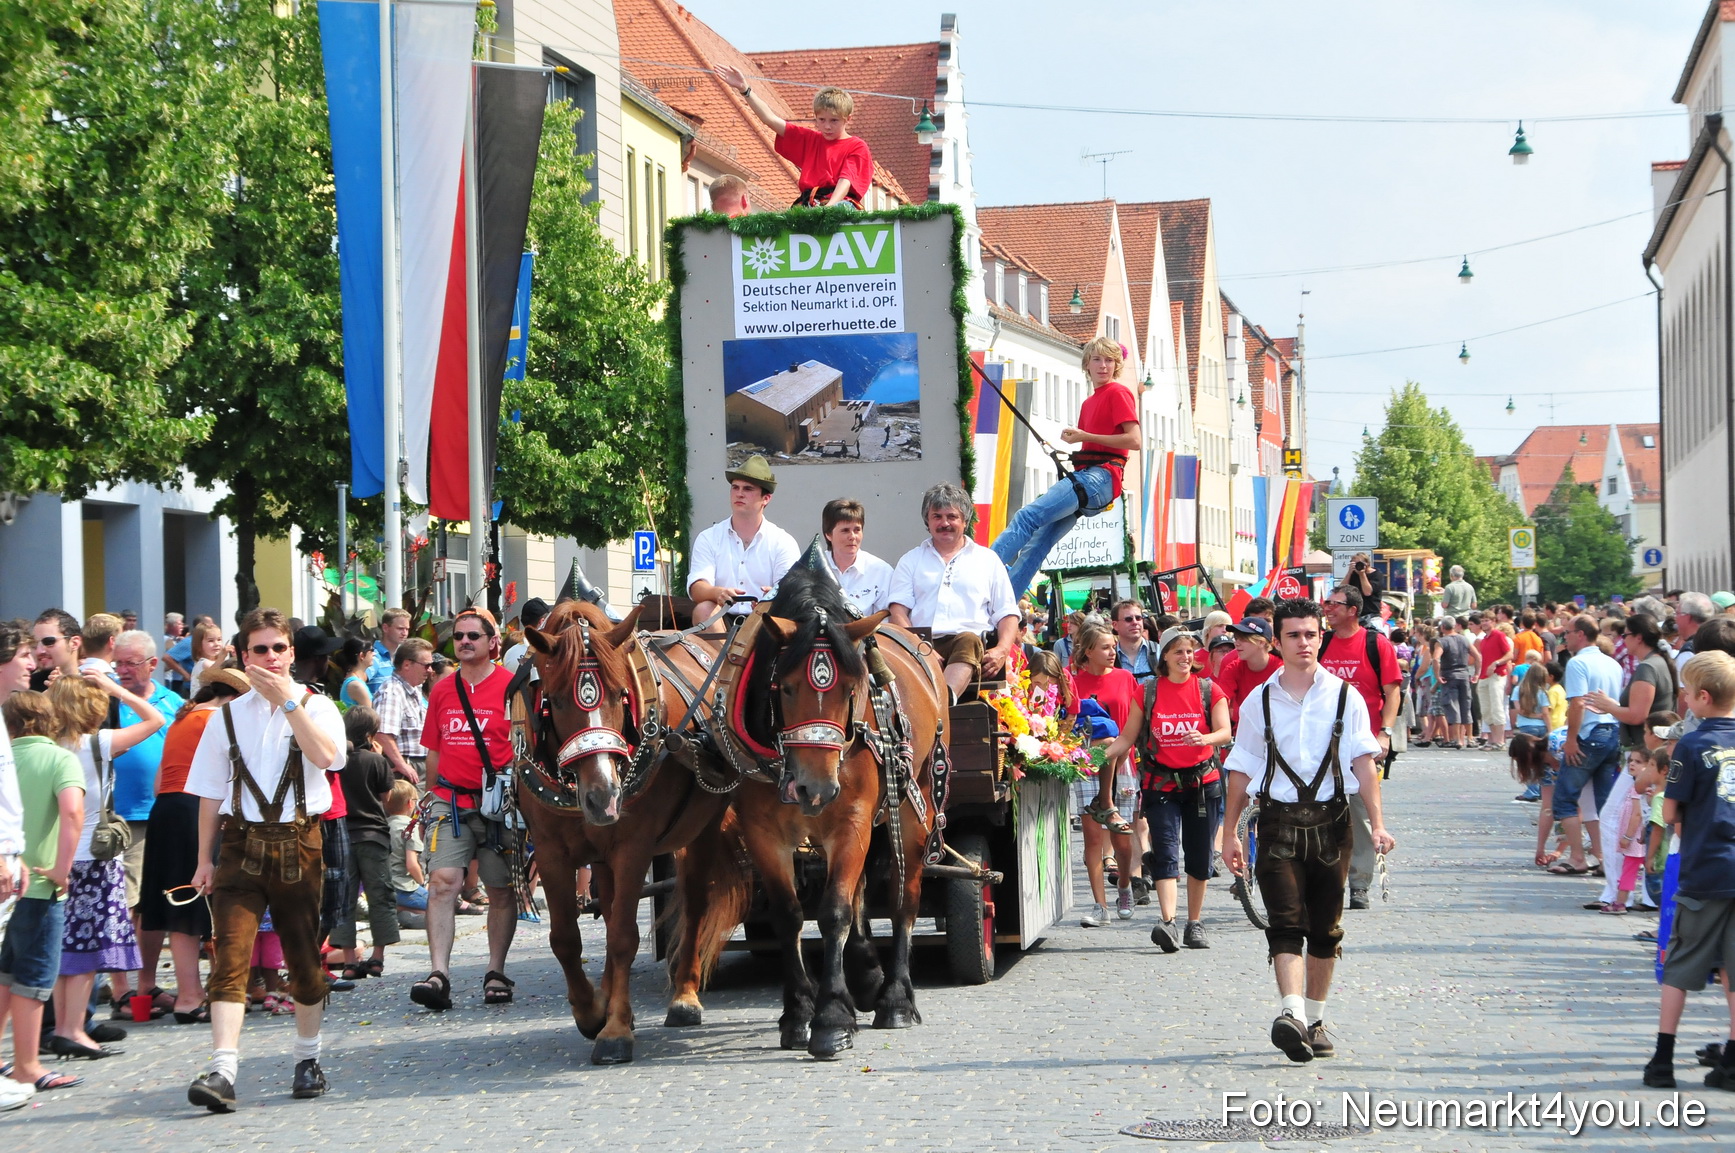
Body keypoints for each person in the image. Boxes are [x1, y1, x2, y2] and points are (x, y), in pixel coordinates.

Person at [182, 606, 348, 1111]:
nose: (271, 657)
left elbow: (328, 759)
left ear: (292, 654)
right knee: (229, 957)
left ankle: (307, 1058)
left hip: (300, 841)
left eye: (279, 648)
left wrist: (289, 705)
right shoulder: (225, 717)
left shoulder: (317, 707)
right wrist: (202, 861)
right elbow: (210, 794)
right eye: (261, 649)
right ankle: (223, 1070)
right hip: (240, 844)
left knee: (301, 957)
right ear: (243, 656)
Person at [1221, 599, 1395, 1063]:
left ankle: (1313, 1020)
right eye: (1294, 635)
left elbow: (1363, 762)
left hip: (1331, 823)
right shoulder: (1260, 699)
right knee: (1285, 922)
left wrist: (1377, 824)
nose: (1304, 643)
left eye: (1311, 634)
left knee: (1326, 929)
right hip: (1276, 821)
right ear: (1277, 641)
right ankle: (1291, 1013)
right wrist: (1229, 833)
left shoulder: (1345, 697)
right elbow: (1241, 766)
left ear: (1322, 637)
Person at [44, 673, 161, 1057]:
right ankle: (74, 1030)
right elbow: (155, 720)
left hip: (56, 857)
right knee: (88, 952)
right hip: (93, 858)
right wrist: (119, 690)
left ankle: (64, 1027)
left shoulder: (47, 746)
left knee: (66, 950)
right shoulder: (98, 743)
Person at [412, 608, 522, 1013]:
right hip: (449, 800)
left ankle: (496, 971)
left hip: (499, 802)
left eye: (473, 635)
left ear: (494, 643)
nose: (464, 642)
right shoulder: (442, 690)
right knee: (443, 882)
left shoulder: (514, 687)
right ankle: (438, 973)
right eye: (459, 636)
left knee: (499, 889)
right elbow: (434, 750)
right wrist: (430, 797)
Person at [137, 665, 249, 1023]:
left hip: (166, 810)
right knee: (197, 901)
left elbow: (158, 783)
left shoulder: (183, 719)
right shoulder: (219, 720)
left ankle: (191, 992)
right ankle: (192, 996)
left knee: (177, 904)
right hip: (195, 809)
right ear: (233, 698)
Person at [1644, 651, 1735, 1089]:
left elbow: (1674, 809)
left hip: (1707, 866)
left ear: (1702, 697)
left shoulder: (1693, 745)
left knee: (1681, 960)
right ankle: (1732, 1061)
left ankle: (1663, 1058)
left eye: (1685, 692)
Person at [989, 337, 1141, 597]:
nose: (1103, 365)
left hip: (1102, 477)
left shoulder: (1118, 392)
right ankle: (1004, 605)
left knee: (1028, 517)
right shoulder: (1089, 402)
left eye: (1109, 360)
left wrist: (1085, 437)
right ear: (1087, 365)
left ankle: (979, 570)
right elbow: (1094, 446)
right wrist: (1080, 445)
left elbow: (1134, 440)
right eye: (1097, 359)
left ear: (1116, 365)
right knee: (1039, 543)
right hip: (1093, 476)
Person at [0, 691, 85, 1100]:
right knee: (33, 977)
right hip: (39, 884)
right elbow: (72, 812)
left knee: (4, 972)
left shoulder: (5, 758)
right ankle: (27, 1065)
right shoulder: (59, 758)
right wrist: (61, 870)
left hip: (6, 881)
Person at [1137, 627, 1231, 951]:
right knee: (1164, 850)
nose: (1186, 657)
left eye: (1189, 651)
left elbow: (1225, 732)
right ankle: (1169, 922)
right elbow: (1126, 737)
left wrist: (1205, 738)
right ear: (1164, 656)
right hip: (1160, 783)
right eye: (1178, 651)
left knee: (1200, 854)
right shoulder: (1147, 691)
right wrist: (1090, 759)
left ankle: (1194, 922)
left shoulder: (1208, 689)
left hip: (1202, 784)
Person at [105, 629, 184, 1011]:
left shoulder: (173, 702)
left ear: (153, 665)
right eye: (117, 662)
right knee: (121, 904)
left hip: (164, 813)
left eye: (129, 663)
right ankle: (120, 988)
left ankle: (146, 984)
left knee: (153, 905)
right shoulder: (104, 700)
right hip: (120, 816)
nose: (121, 670)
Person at [889, 483, 1021, 700]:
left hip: (971, 649)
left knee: (968, 640)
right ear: (927, 521)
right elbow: (897, 612)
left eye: (952, 516)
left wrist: (1002, 649)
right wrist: (920, 647)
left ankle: (943, 702)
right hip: (920, 647)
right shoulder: (910, 560)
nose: (945, 523)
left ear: (965, 521)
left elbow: (1007, 613)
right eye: (937, 516)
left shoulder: (987, 560)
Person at [1319, 586, 1401, 911]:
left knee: (1361, 811)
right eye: (1326, 603)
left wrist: (1386, 733)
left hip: (1363, 742)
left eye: (1333, 604)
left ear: (1352, 610)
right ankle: (1328, 879)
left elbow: (1392, 691)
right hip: (1322, 742)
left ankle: (1359, 883)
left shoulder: (1374, 643)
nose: (1326, 608)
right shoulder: (1322, 643)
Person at [714, 66, 872, 209]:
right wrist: (745, 89)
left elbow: (846, 180)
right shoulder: (810, 139)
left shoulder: (856, 146)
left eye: (834, 121)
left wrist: (829, 207)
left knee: (839, 209)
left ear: (847, 119)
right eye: (822, 120)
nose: (827, 126)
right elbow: (770, 119)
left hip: (840, 203)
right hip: (810, 202)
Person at [1068, 623, 1142, 925]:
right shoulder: (1072, 682)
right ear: (1088, 652)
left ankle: (1124, 885)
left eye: (1114, 647)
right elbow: (1069, 725)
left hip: (1123, 763)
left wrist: (1118, 749)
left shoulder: (1126, 679)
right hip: (1086, 764)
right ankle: (1100, 906)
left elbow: (1131, 726)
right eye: (1106, 648)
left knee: (1123, 838)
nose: (1113, 652)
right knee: (1092, 837)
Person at [1551, 614, 1625, 876]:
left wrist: (1571, 740)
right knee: (1604, 802)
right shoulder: (1612, 663)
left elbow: (1578, 704)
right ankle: (1605, 858)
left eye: (1567, 633)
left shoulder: (1578, 663)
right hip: (1613, 731)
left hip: (1590, 733)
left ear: (1580, 634)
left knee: (1564, 799)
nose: (1565, 638)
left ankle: (1578, 857)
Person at [687, 455, 800, 625]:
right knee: (703, 609)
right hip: (721, 620)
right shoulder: (709, 537)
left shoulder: (783, 542)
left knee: (776, 614)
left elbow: (790, 594)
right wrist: (717, 593)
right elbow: (697, 587)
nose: (739, 494)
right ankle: (725, 653)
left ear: (766, 499)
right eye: (735, 487)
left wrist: (773, 598)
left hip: (763, 622)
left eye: (748, 489)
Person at [329, 707, 399, 979]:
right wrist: (379, 758)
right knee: (380, 894)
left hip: (341, 835)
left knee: (343, 898)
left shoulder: (336, 760)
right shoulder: (376, 761)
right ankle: (377, 957)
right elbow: (387, 798)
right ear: (371, 733)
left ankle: (348, 962)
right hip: (373, 835)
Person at [1603, 749, 1664, 915]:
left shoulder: (1638, 788)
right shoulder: (1643, 787)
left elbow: (1636, 815)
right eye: (1630, 760)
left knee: (1629, 870)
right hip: (1641, 835)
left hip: (1636, 837)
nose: (1631, 764)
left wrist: (1627, 836)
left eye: (1638, 762)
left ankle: (1620, 902)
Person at [375, 638, 434, 784]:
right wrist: (402, 765)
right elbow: (382, 734)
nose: (430, 670)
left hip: (418, 765)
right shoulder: (392, 692)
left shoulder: (414, 689)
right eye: (426, 666)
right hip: (406, 768)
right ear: (407, 664)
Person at [821, 498, 895, 616]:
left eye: (857, 530)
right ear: (828, 535)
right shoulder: (813, 568)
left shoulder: (882, 572)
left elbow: (886, 623)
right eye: (845, 530)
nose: (852, 536)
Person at [1216, 616, 1277, 727]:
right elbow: (1220, 702)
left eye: (1243, 639)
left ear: (1261, 642)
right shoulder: (1233, 668)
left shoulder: (1281, 668)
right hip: (1245, 730)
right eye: (1236, 638)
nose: (1237, 643)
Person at [1467, 612, 1513, 750]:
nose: (1485, 623)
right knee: (1486, 709)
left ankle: (1500, 741)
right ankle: (1492, 740)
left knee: (1497, 707)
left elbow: (1509, 654)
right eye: (1483, 620)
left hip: (1497, 675)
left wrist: (1496, 663)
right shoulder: (1484, 640)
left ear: (1493, 621)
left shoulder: (1499, 635)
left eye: (1487, 620)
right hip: (1484, 676)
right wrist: (1477, 673)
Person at [384, 780, 427, 922]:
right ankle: (402, 909)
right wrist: (422, 883)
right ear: (410, 803)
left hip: (386, 886)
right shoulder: (410, 827)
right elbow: (411, 864)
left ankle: (399, 909)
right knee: (441, 905)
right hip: (405, 888)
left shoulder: (384, 825)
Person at [1433, 616, 1477, 749]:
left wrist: (1437, 676)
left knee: (1453, 706)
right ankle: (1470, 738)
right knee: (1466, 705)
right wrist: (1477, 674)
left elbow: (1436, 659)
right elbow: (1478, 656)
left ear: (1442, 628)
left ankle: (1457, 739)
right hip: (1464, 674)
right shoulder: (1464, 639)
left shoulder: (1441, 642)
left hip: (1449, 675)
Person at [1109, 599, 1161, 684]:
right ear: (1115, 625)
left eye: (1138, 618)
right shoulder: (1109, 657)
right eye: (1128, 619)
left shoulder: (1159, 652)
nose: (1135, 622)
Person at [30, 608, 81, 692]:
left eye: (49, 641)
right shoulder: (27, 687)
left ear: (74, 643)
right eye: (34, 644)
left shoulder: (96, 684)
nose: (39, 651)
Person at [367, 609, 413, 699]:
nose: (404, 633)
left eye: (407, 629)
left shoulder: (404, 657)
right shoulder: (374, 656)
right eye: (400, 629)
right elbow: (356, 682)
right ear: (385, 628)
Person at [332, 637, 372, 710]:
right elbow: (370, 717)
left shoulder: (355, 680)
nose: (374, 654)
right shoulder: (356, 685)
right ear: (362, 656)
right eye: (371, 650)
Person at [1344, 553, 1384, 626]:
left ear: (1367, 564)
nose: (1358, 566)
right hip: (1355, 616)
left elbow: (1367, 592)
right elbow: (1342, 591)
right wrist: (1349, 573)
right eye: (1355, 563)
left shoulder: (1377, 574)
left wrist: (1362, 574)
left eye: (1359, 563)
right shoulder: (1353, 575)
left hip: (1372, 616)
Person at [187, 620, 228, 687]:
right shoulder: (204, 663)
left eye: (219, 639)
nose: (216, 644)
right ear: (199, 644)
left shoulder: (215, 662)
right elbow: (212, 672)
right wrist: (222, 657)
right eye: (210, 640)